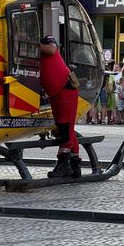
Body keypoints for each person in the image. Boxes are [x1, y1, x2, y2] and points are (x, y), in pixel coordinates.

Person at [39, 35, 80, 179]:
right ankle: (74, 164)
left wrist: (32, 44)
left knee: (64, 126)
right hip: (56, 92)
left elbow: (51, 49)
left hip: (64, 88)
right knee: (66, 127)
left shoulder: (46, 40)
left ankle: (64, 164)